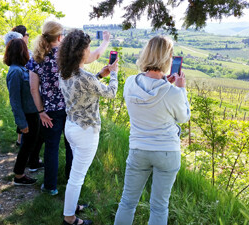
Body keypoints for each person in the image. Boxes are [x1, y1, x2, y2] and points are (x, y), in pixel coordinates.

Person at [114, 36, 191, 225]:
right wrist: (181, 89)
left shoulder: (131, 83)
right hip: (166, 151)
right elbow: (183, 117)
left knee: (127, 202)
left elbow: (148, 96)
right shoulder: (172, 92)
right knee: (159, 206)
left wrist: (165, 82)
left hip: (138, 149)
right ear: (168, 58)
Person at [29, 22, 111, 197]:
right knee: (71, 147)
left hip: (49, 111)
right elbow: (94, 55)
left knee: (51, 148)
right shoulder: (66, 55)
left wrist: (40, 111)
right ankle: (71, 179)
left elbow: (33, 88)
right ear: (59, 37)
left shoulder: (36, 57)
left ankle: (50, 186)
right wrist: (105, 42)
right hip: (70, 107)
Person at [58, 29, 119, 225]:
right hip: (86, 132)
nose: (90, 51)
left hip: (71, 126)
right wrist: (114, 74)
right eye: (88, 48)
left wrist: (100, 74)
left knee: (75, 174)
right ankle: (70, 218)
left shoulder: (65, 71)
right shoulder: (85, 77)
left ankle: (72, 206)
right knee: (77, 178)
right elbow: (110, 93)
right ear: (81, 52)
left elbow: (84, 87)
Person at [3, 29, 44, 172]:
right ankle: (19, 175)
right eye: (25, 49)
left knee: (35, 141)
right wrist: (21, 123)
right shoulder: (15, 72)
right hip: (27, 115)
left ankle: (32, 164)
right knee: (26, 146)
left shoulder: (22, 68)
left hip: (34, 113)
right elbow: (14, 100)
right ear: (20, 52)